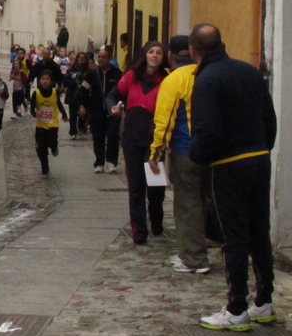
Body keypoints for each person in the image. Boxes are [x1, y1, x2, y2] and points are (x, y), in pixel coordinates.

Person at [188, 24, 277, 331]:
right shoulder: (250, 72)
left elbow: (208, 131)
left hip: (227, 166)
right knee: (259, 232)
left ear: (193, 50)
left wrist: (197, 157)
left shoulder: (206, 80)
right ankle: (264, 301)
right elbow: (270, 119)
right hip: (258, 160)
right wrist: (262, 149)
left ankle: (236, 306)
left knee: (234, 237)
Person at [148, 35, 209, 272]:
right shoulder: (207, 74)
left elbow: (164, 121)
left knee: (186, 205)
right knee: (202, 202)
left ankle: (193, 258)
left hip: (185, 150)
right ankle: (191, 250)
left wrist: (156, 154)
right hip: (212, 150)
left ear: (171, 55)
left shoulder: (174, 80)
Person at [107, 41, 168, 244]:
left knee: (156, 188)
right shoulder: (131, 77)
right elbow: (112, 95)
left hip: (155, 142)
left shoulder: (166, 80)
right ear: (145, 55)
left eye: (159, 52)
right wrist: (113, 108)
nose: (155, 55)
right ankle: (139, 231)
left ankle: (157, 221)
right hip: (132, 138)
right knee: (136, 187)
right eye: (151, 52)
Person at [80, 48, 122, 173]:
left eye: (104, 57)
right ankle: (99, 162)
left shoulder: (117, 74)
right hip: (96, 110)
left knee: (113, 136)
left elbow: (122, 91)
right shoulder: (91, 74)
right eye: (99, 57)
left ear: (109, 59)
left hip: (113, 111)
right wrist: (84, 106)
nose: (101, 59)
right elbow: (83, 91)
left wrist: (120, 106)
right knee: (98, 137)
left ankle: (111, 161)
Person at [30, 70, 68, 178]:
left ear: (51, 81)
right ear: (39, 80)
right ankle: (45, 168)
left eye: (47, 79)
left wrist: (64, 115)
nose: (45, 81)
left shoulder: (55, 92)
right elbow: (32, 109)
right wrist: (35, 114)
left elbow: (59, 104)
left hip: (52, 124)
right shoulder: (35, 93)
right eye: (43, 79)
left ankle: (54, 147)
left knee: (52, 142)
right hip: (40, 125)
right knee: (41, 148)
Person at [64, 52, 90, 139]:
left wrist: (83, 85)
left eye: (83, 57)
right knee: (73, 114)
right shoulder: (71, 70)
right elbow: (66, 82)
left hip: (84, 95)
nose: (81, 59)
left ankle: (81, 127)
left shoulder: (88, 71)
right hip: (73, 95)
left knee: (83, 113)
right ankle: (73, 131)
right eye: (80, 57)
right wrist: (75, 84)